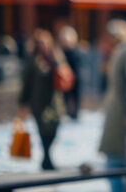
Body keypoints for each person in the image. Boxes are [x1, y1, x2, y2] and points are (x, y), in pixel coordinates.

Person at [16, 29, 70, 170]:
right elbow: (26, 83)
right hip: (38, 102)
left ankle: (47, 156)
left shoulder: (57, 57)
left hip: (55, 102)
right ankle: (46, 158)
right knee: (43, 131)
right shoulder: (33, 60)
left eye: (44, 42)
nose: (42, 45)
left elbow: (65, 75)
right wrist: (23, 103)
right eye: (39, 43)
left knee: (54, 129)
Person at [97, 19, 126, 192]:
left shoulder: (122, 53)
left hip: (119, 114)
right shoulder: (121, 53)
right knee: (117, 161)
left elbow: (120, 88)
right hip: (117, 112)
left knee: (115, 161)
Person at [57, 25, 83, 120]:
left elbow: (78, 66)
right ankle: (66, 112)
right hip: (65, 78)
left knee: (75, 97)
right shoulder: (60, 52)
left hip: (75, 77)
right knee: (65, 97)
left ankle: (75, 114)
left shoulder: (76, 52)